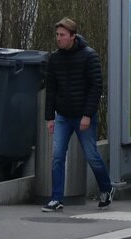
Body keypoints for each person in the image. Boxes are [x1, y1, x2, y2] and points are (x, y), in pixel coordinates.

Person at [42, 17, 113, 212]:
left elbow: (95, 87)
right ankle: (56, 198)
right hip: (63, 116)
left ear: (73, 36)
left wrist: (88, 115)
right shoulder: (55, 59)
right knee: (57, 156)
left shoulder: (89, 56)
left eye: (62, 35)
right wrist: (50, 117)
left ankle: (106, 189)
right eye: (57, 35)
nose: (58, 38)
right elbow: (51, 89)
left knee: (91, 156)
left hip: (83, 115)